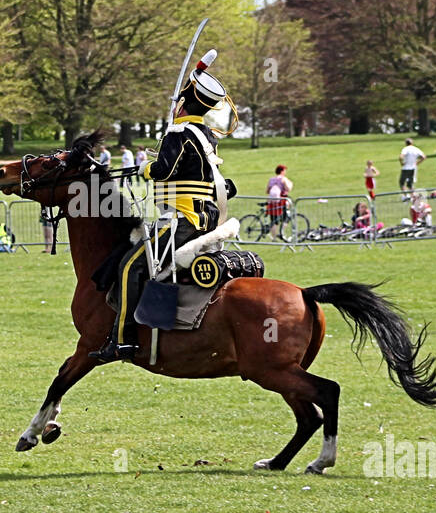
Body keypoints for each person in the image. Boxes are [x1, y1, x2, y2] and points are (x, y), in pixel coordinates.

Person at [92, 57, 237, 363]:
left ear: (181, 105)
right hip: (207, 218)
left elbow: (164, 169)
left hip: (181, 220)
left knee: (130, 266)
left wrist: (145, 167)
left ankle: (124, 340)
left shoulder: (178, 134)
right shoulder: (207, 136)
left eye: (176, 104)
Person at [266, 165, 293, 239]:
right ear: (282, 171)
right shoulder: (283, 179)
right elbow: (288, 189)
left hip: (272, 202)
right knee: (286, 218)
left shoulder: (271, 179)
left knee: (273, 220)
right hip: (282, 201)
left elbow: (267, 191)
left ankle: (274, 238)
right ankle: (282, 232)